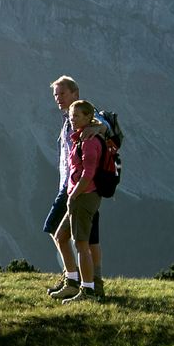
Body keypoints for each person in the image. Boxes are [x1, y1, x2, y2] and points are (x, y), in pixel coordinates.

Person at [44, 76, 111, 301]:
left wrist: (99, 127)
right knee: (87, 238)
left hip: (79, 188)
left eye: (62, 93)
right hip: (75, 186)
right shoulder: (71, 121)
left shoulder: (89, 119)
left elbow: (105, 126)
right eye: (56, 95)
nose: (58, 98)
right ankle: (90, 283)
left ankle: (81, 284)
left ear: (76, 93)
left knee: (72, 236)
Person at [56, 101, 106, 303]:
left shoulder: (89, 140)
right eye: (70, 115)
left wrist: (74, 195)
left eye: (76, 116)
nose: (72, 119)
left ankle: (88, 290)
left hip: (84, 196)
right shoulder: (80, 138)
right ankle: (75, 283)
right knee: (61, 236)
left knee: (82, 244)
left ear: (88, 118)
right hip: (78, 196)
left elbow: (88, 173)